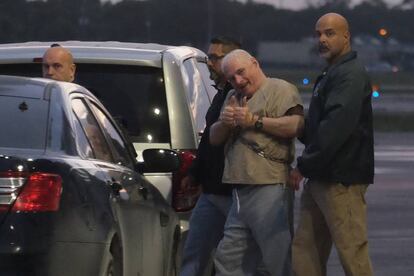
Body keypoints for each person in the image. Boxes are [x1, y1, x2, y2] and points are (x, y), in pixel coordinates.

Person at [290, 13, 374, 276]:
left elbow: (334, 129)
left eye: (329, 33)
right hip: (322, 176)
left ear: (346, 36)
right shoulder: (332, 72)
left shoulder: (350, 74)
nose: (322, 39)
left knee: (352, 254)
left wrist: (303, 165)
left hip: (342, 180)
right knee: (305, 250)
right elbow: (319, 126)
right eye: (318, 34)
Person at [210, 49, 304, 276]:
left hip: (269, 184)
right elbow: (213, 139)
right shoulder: (234, 96)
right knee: (228, 258)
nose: (238, 81)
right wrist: (225, 123)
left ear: (255, 63)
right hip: (240, 187)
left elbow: (295, 126)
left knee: (276, 257)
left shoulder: (281, 89)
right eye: (232, 78)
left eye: (241, 72)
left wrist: (254, 121)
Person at [179, 36, 241, 276]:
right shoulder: (221, 94)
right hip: (211, 190)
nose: (209, 63)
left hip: (231, 193)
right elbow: (207, 142)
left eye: (214, 57)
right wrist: (195, 173)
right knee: (194, 255)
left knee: (228, 261)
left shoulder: (240, 94)